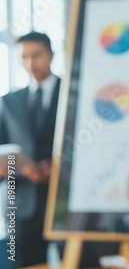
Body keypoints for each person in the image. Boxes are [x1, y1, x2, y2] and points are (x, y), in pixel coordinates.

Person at [0, 32, 61, 267]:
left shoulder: (73, 92)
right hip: (21, 202)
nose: (30, 63)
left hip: (63, 199)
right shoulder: (9, 101)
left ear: (51, 55)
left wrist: (59, 167)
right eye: (24, 57)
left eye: (36, 55)